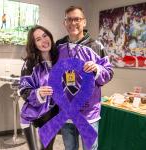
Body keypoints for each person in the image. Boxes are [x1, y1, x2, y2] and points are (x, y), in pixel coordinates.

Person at [56, 6, 114, 150]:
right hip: (66, 110)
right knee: (70, 147)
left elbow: (109, 72)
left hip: (88, 112)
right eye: (69, 19)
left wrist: (97, 69)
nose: (73, 23)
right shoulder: (58, 46)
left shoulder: (96, 46)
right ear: (64, 23)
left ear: (84, 22)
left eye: (77, 19)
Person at [19, 25, 58, 150]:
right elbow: (23, 90)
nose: (43, 41)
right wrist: (38, 93)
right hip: (32, 115)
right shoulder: (30, 63)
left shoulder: (59, 59)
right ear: (34, 44)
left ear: (50, 36)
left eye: (45, 36)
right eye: (38, 39)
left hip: (51, 115)